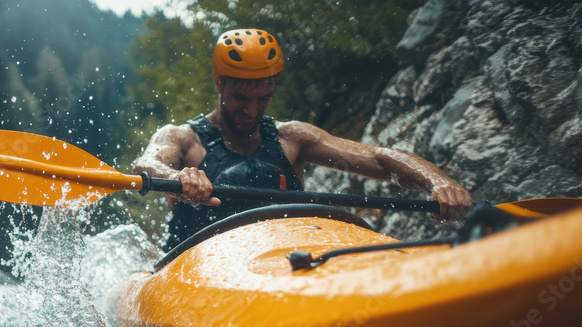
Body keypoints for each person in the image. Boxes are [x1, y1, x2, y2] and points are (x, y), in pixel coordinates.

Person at [132, 28, 474, 250]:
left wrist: (438, 182)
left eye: (263, 98)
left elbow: (381, 160)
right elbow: (147, 163)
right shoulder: (182, 138)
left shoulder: (293, 138)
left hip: (292, 256)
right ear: (220, 83)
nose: (251, 110)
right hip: (201, 261)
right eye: (240, 98)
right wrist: (178, 177)